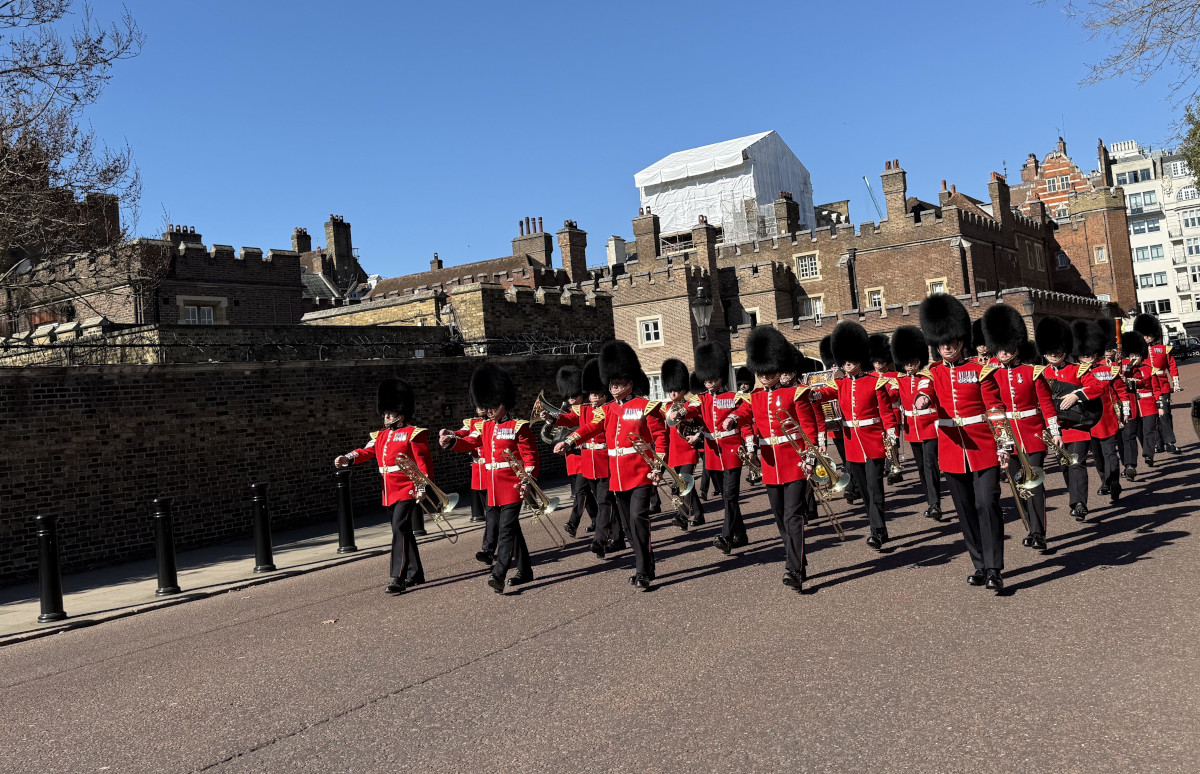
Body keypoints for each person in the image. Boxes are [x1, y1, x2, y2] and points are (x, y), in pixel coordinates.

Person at [556, 340, 668, 591]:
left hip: (641, 472)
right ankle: (646, 564)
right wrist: (570, 440)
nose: (614, 386)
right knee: (628, 525)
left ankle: (642, 571)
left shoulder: (646, 407)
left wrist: (658, 467)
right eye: (612, 382)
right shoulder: (606, 410)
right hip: (617, 475)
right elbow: (590, 427)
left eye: (618, 382)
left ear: (629, 382)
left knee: (638, 519)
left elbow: (660, 438)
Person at [914, 294, 1008, 593]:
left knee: (986, 504)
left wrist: (1004, 444)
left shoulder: (981, 371)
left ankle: (994, 568)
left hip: (983, 447)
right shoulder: (932, 373)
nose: (946, 347)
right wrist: (922, 398)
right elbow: (925, 389)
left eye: (951, 341)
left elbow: (995, 409)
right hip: (952, 450)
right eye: (941, 343)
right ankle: (979, 564)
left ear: (960, 341)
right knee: (965, 510)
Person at [439, 364, 538, 594]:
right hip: (493, 486)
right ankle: (525, 570)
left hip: (513, 486)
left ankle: (499, 574)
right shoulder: (485, 427)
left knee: (505, 531)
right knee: (512, 529)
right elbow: (470, 441)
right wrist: (452, 442)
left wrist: (527, 482)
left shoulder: (519, 427)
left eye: (493, 405)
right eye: (487, 405)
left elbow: (530, 459)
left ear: (503, 402)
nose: (489, 410)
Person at [742, 326, 823, 592]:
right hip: (770, 464)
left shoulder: (795, 393)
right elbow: (743, 415)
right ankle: (798, 560)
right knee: (780, 518)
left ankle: (793, 569)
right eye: (762, 372)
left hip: (796, 462)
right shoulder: (754, 398)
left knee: (792, 516)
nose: (766, 376)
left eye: (770, 371)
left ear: (778, 368)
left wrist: (810, 459)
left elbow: (809, 429)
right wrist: (733, 421)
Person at [334, 379, 430, 595]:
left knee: (399, 529)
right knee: (403, 530)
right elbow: (365, 451)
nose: (385, 416)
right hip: (389, 491)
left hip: (407, 489)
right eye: (385, 412)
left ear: (400, 414)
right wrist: (347, 458)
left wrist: (422, 486)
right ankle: (416, 573)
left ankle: (398, 577)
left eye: (390, 412)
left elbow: (423, 463)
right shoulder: (380, 436)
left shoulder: (414, 433)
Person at [809, 321, 897, 550]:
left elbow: (886, 413)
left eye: (850, 359)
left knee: (874, 486)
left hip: (873, 442)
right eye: (844, 360)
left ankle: (876, 530)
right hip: (853, 445)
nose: (847, 364)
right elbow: (824, 393)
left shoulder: (875, 382)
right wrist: (813, 394)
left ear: (859, 358)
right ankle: (879, 527)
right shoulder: (840, 384)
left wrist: (892, 436)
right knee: (864, 490)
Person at [982, 305, 1061, 551]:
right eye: (1000, 348)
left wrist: (1055, 431)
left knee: (1033, 483)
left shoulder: (1032, 372)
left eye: (1008, 348)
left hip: (1033, 435)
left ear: (1017, 348)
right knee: (1019, 486)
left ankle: (1038, 532)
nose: (1004, 352)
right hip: (1007, 437)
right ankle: (1030, 526)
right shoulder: (989, 374)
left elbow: (1046, 404)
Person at [670, 342, 754, 555]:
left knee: (730, 497)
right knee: (727, 497)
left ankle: (726, 536)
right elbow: (690, 409)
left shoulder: (733, 397)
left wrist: (734, 419)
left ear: (720, 377)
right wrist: (679, 413)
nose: (708, 381)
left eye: (712, 377)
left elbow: (746, 411)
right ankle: (741, 535)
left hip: (732, 452)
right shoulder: (701, 399)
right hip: (713, 454)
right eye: (706, 378)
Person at [551, 358, 621, 556]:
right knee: (605, 502)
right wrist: (553, 418)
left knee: (604, 501)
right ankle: (618, 537)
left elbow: (589, 428)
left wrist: (570, 441)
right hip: (589, 461)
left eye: (597, 393)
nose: (593, 396)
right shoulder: (584, 409)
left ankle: (600, 540)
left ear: (604, 393)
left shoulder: (609, 409)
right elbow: (569, 418)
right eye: (591, 393)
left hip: (604, 459)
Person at [890, 325, 942, 521]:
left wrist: (922, 399)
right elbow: (892, 394)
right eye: (907, 363)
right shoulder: (899, 380)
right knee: (921, 468)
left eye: (913, 362)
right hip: (912, 429)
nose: (910, 366)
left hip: (929, 426)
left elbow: (925, 389)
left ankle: (935, 504)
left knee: (930, 465)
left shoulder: (926, 377)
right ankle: (930, 502)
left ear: (919, 361)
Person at [555, 365, 598, 539]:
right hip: (572, 457)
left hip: (586, 455)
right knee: (585, 492)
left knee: (581, 490)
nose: (571, 398)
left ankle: (573, 523)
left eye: (574, 394)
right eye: (568, 395)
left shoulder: (591, 409)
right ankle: (597, 520)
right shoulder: (569, 411)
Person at [661, 358, 704, 528]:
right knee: (685, 485)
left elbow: (695, 412)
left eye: (676, 390)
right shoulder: (666, 408)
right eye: (670, 390)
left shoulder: (690, 403)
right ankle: (699, 514)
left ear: (683, 389)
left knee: (685, 482)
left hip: (688, 450)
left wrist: (682, 412)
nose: (673, 393)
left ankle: (683, 516)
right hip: (674, 452)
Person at [1121, 331, 1169, 471]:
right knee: (1134, 434)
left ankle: (1148, 455)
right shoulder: (1125, 369)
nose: (1134, 358)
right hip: (1133, 406)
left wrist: (1160, 405)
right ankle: (1130, 465)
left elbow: (1156, 388)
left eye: (1137, 355)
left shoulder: (1149, 370)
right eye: (1132, 355)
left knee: (1149, 431)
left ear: (1142, 356)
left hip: (1148, 404)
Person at [1134, 313, 1181, 453]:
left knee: (1164, 414)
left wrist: (1176, 383)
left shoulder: (1163, 349)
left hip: (1162, 386)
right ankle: (1157, 443)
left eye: (1149, 335)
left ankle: (1169, 442)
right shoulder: (1138, 352)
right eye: (1144, 335)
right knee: (1152, 417)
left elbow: (1172, 366)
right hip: (1147, 387)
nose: (1147, 338)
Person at [453, 406, 494, 563]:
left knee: (493, 514)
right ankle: (497, 550)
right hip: (480, 473)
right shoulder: (472, 423)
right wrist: (450, 435)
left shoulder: (495, 423)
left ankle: (489, 550)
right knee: (491, 513)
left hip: (493, 471)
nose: (479, 408)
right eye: (477, 405)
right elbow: (463, 433)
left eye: (482, 405)